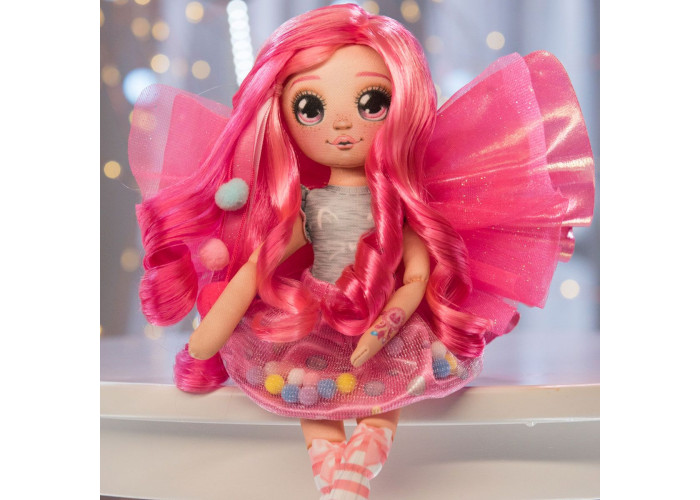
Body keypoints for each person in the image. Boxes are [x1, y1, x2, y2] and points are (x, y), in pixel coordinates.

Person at [129, 5, 595, 499]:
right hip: (313, 317)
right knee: (311, 398)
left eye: (372, 101)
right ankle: (333, 474)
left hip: (381, 321)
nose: (341, 124)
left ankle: (358, 467)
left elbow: (416, 278)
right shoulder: (304, 209)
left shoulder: (395, 208)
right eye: (311, 107)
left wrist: (386, 326)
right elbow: (256, 266)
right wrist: (208, 335)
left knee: (382, 401)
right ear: (282, 115)